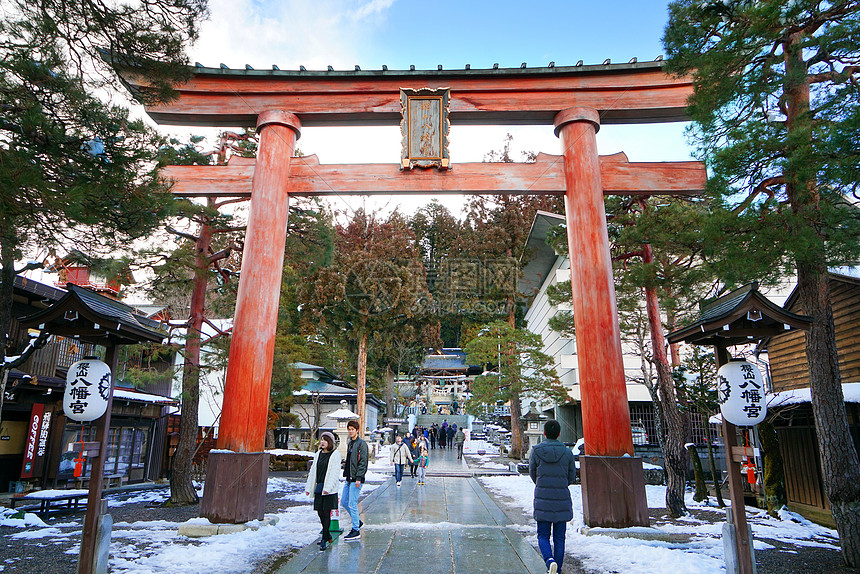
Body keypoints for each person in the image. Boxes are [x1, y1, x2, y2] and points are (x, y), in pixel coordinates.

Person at [529, 420, 576, 574]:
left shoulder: (536, 451)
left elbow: (532, 473)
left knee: (543, 535)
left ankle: (549, 560)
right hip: (561, 498)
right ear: (559, 434)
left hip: (543, 497)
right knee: (559, 538)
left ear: (544, 433)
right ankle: (558, 569)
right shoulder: (567, 452)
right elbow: (571, 477)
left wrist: (541, 483)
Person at [305, 432, 341, 552]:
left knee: (326, 513)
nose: (322, 442)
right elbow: (313, 472)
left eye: (325, 440)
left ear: (330, 442)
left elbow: (334, 473)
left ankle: (324, 539)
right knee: (320, 512)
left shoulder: (335, 455)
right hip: (319, 486)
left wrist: (328, 488)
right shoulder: (318, 454)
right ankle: (327, 535)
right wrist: (308, 487)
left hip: (329, 489)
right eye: (321, 440)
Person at [341, 420, 368, 541]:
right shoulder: (350, 443)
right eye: (349, 429)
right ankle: (357, 521)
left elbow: (363, 462)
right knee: (344, 501)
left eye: (352, 429)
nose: (350, 431)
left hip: (356, 478)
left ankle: (356, 529)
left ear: (357, 430)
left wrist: (358, 478)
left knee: (352, 503)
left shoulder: (361, 444)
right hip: (349, 477)